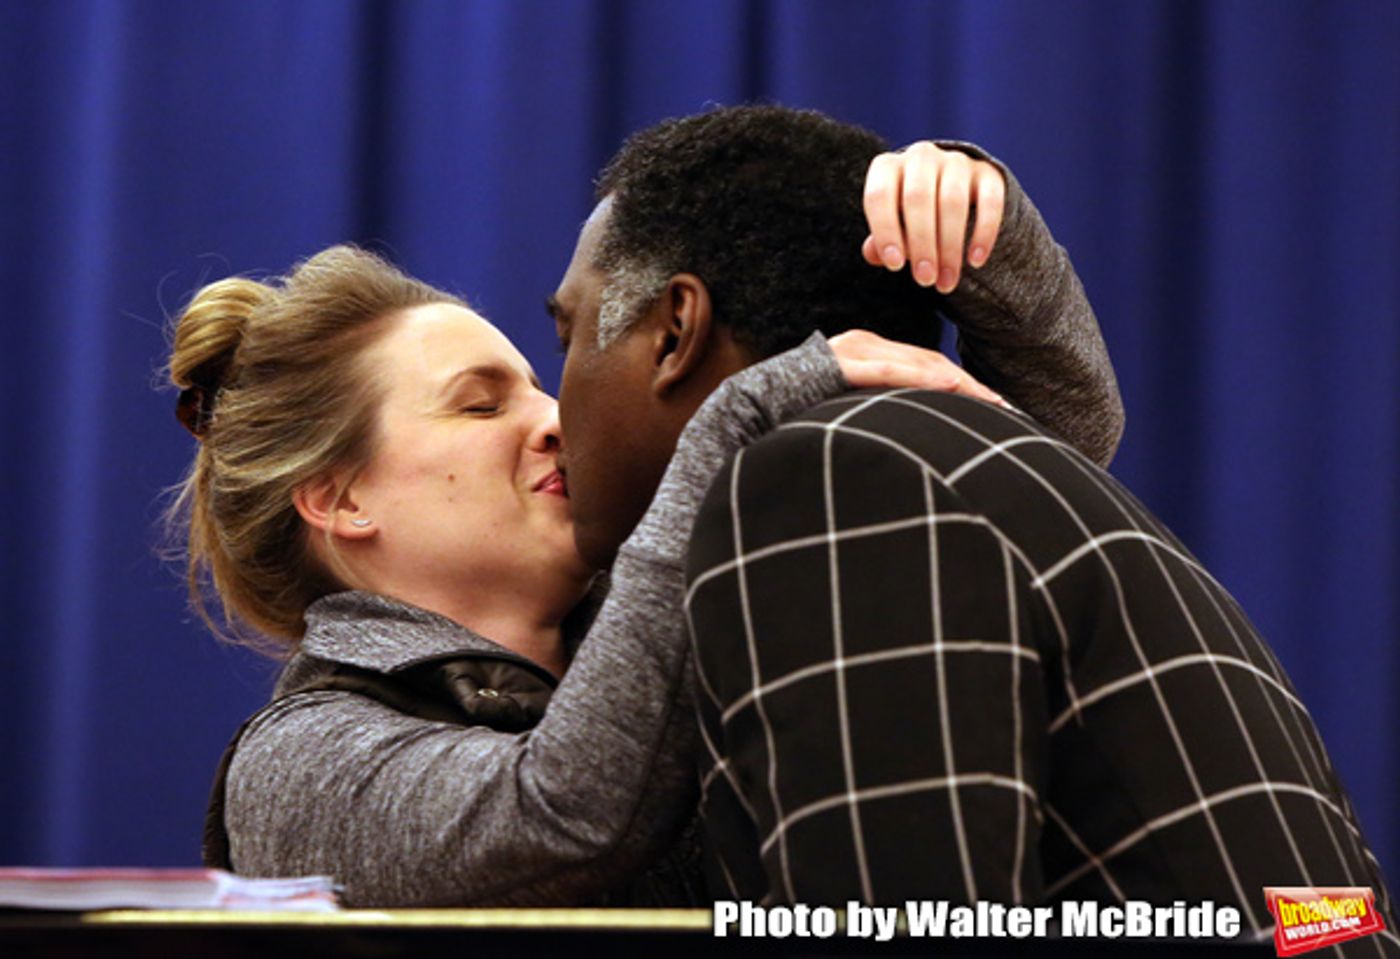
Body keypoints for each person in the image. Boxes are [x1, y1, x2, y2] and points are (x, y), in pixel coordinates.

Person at [178, 121, 1121, 908]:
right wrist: (742, 412)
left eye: (543, 384)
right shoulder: (296, 763)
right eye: (479, 402)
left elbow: (1029, 473)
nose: (555, 419)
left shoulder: (706, 611)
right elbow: (562, 817)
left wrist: (979, 240)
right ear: (340, 499)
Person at [547, 103, 1398, 947]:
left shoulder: (827, 479)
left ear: (675, 331)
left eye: (568, 335)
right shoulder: (937, 465)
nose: (553, 410)